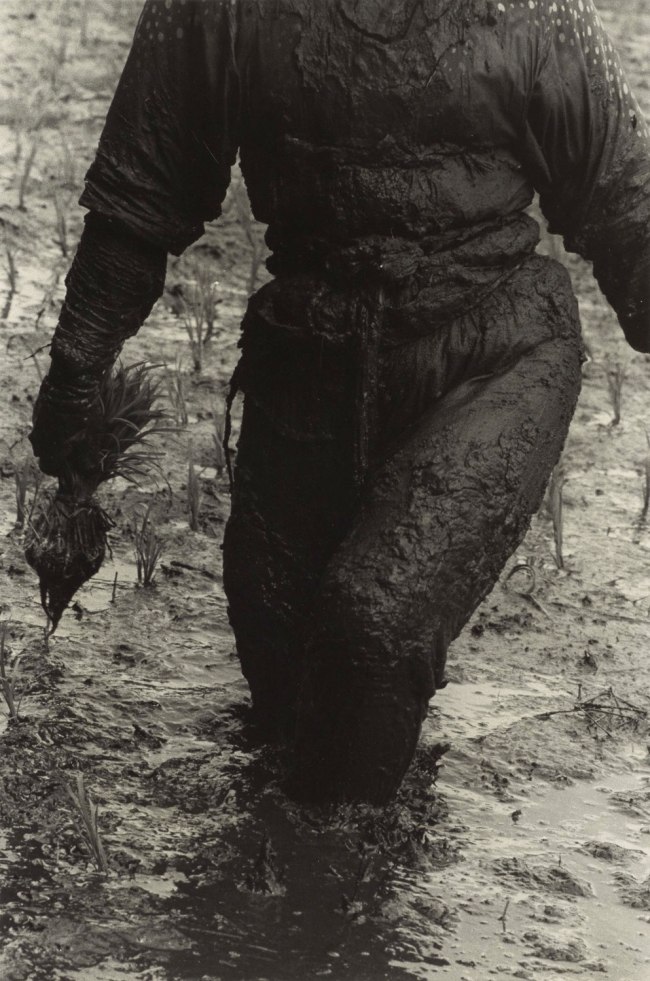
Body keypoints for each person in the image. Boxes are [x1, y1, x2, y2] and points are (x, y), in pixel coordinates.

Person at [30, 0, 649, 804]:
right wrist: (78, 369)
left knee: (371, 627)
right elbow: (143, 192)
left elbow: (630, 212)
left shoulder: (533, 14)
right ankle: (339, 870)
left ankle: (338, 894)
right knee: (282, 679)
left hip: (493, 351)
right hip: (309, 350)